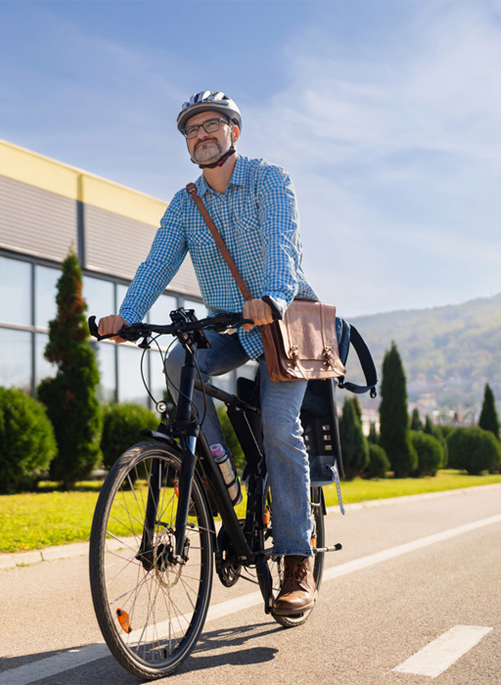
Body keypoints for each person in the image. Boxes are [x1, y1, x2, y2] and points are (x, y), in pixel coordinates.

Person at [97, 90, 318, 615]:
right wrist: (126, 315)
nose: (201, 135)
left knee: (279, 427)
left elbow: (283, 242)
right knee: (179, 362)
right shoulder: (185, 203)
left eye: (212, 125)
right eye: (191, 130)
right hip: (228, 325)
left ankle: (296, 561)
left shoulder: (269, 180)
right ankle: (221, 472)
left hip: (281, 322)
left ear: (233, 133)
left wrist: (272, 296)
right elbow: (157, 264)